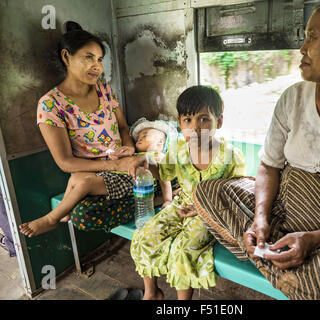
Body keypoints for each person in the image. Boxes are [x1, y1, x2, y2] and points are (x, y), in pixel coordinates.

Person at [193, 0, 320, 300]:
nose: (302, 49)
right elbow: (269, 166)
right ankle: (292, 267)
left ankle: (278, 260)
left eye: (313, 37)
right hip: (282, 210)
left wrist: (314, 239)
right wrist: (260, 218)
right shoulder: (293, 98)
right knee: (207, 194)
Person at [18, 22, 146, 237]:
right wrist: (117, 164)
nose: (97, 66)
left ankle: (158, 197)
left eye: (99, 59)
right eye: (88, 57)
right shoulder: (51, 105)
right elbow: (65, 162)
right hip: (93, 173)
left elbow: (124, 127)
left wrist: (129, 149)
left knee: (162, 169)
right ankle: (54, 217)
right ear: (67, 57)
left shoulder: (105, 91)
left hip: (122, 166)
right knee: (83, 211)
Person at [129, 85, 246, 300]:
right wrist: (147, 161)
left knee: (183, 250)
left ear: (218, 121)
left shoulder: (230, 155)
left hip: (211, 212)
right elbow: (164, 172)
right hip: (181, 203)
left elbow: (235, 195)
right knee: (145, 235)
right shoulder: (177, 148)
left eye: (204, 119)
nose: (195, 127)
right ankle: (151, 293)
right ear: (180, 121)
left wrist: (202, 208)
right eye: (187, 120)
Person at [20, 116, 176, 237]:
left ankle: (51, 219)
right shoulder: (135, 153)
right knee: (76, 177)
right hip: (114, 177)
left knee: (86, 183)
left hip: (127, 182)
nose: (139, 138)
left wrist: (168, 199)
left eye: (146, 135)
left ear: (161, 141)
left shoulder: (158, 156)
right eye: (139, 136)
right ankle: (65, 213)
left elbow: (165, 177)